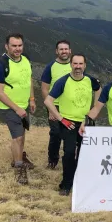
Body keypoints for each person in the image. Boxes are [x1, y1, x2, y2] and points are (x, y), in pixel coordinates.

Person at [44, 54, 101, 196]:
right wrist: (61, 118)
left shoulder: (90, 80)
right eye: (75, 63)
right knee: (69, 153)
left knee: (85, 153)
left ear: (85, 65)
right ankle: (66, 184)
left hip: (85, 122)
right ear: (71, 64)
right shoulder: (63, 81)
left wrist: (93, 110)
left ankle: (81, 181)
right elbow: (48, 101)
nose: (78, 67)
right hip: (68, 123)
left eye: (80, 64)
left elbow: (99, 89)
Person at [0, 33, 35, 185]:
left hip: (23, 105)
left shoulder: (26, 60)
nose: (17, 49)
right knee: (17, 137)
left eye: (20, 45)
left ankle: (18, 158)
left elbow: (28, 79)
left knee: (22, 134)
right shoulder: (1, 65)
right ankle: (19, 168)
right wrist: (16, 109)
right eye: (14, 46)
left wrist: (32, 99)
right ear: (6, 46)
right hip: (9, 107)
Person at [40, 39, 72, 169]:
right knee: (55, 133)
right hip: (55, 105)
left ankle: (69, 159)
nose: (64, 51)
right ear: (56, 51)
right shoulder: (50, 67)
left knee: (70, 133)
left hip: (72, 105)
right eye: (61, 49)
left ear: (70, 51)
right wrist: (50, 109)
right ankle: (52, 160)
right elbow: (44, 89)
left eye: (66, 49)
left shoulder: (75, 65)